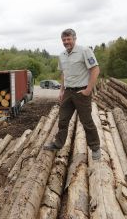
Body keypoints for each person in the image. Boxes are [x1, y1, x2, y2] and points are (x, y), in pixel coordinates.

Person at [44, 28, 101, 160]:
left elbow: (95, 69)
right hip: (68, 92)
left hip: (82, 92)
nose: (66, 42)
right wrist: (61, 90)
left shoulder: (85, 51)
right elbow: (63, 73)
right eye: (64, 40)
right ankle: (58, 144)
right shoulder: (62, 55)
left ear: (74, 39)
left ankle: (95, 148)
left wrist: (88, 90)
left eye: (68, 39)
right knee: (63, 120)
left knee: (86, 121)